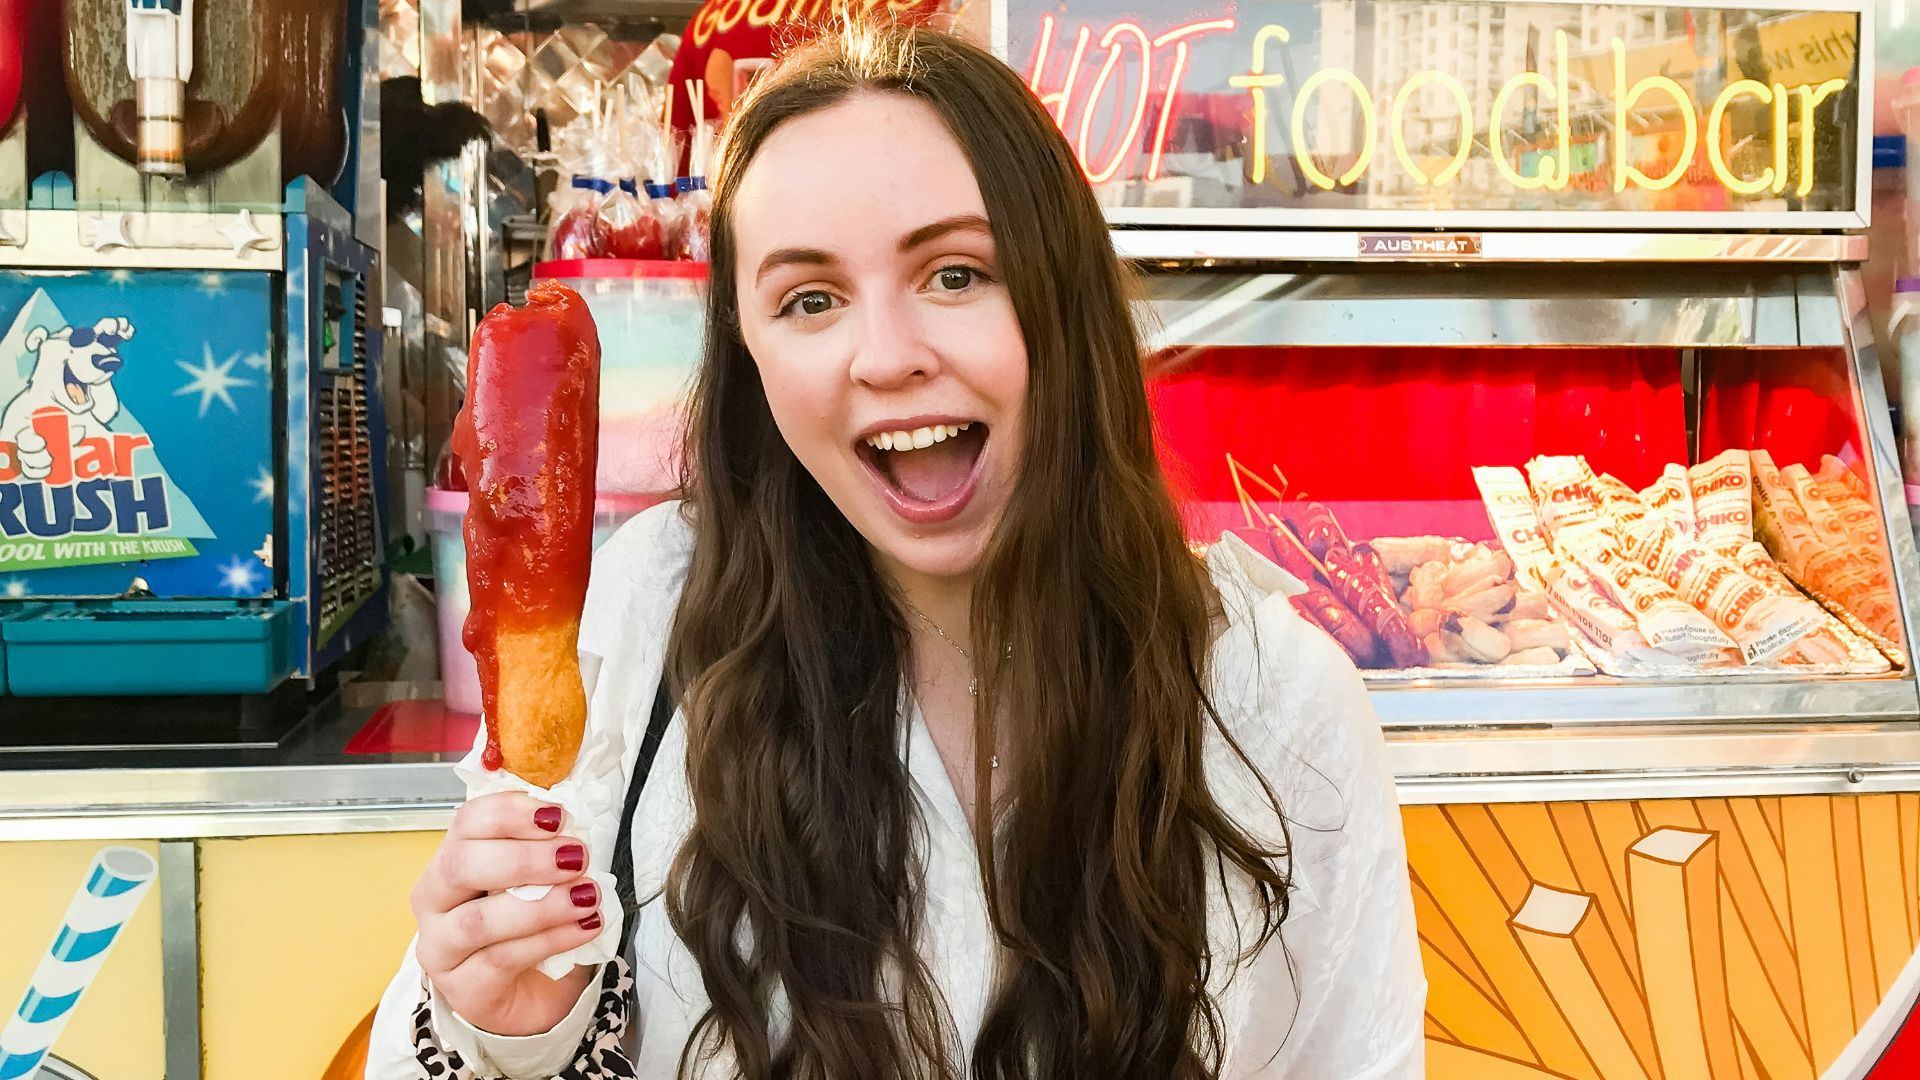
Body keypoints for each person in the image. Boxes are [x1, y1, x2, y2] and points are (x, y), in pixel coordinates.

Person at [368, 20, 1423, 1079]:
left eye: (956, 274)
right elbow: (448, 1042)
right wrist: (507, 1028)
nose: (887, 357)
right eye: (810, 300)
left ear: (1066, 300)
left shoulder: (1270, 701)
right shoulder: (649, 620)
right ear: (752, 362)